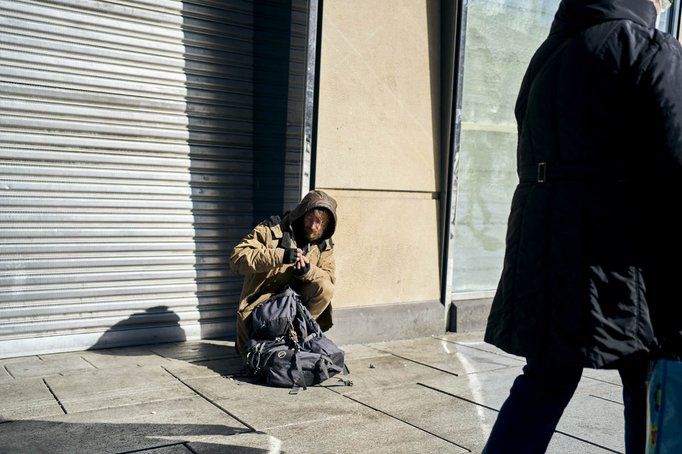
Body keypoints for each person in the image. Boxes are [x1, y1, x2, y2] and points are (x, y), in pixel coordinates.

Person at [482, 0, 682, 453]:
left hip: (546, 247)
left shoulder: (549, 53)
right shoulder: (647, 47)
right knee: (648, 380)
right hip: (619, 256)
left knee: (545, 379)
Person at [230, 190, 338, 359]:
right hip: (262, 310)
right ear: (301, 214)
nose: (313, 226)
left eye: (320, 223)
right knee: (256, 362)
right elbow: (237, 258)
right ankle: (261, 344)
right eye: (310, 218)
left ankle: (296, 339)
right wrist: (280, 256)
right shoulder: (270, 229)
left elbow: (329, 278)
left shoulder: (324, 245)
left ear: (326, 226)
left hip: (294, 311)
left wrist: (308, 272)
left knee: (325, 287)